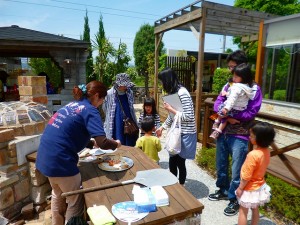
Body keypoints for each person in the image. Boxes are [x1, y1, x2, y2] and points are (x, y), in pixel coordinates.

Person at [36, 81, 121, 225]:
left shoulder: (72, 105)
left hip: (45, 158)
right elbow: (103, 142)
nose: (101, 103)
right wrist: (116, 144)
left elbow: (69, 131)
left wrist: (90, 143)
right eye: (102, 100)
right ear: (96, 96)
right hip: (62, 162)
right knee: (75, 202)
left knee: (57, 194)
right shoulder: (90, 109)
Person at [208, 50, 263, 217]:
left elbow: (252, 112)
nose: (230, 71)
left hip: (240, 134)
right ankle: (223, 190)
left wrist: (232, 116)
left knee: (237, 168)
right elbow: (218, 103)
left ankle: (234, 198)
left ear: (242, 66)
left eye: (233, 67)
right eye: (230, 67)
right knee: (221, 164)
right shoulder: (229, 84)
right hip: (223, 132)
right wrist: (223, 112)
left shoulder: (253, 89)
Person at [156, 67, 197, 185]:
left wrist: (171, 109)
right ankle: (173, 185)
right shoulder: (173, 93)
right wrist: (162, 127)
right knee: (172, 161)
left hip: (185, 133)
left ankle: (181, 186)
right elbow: (173, 116)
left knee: (179, 162)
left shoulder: (182, 92)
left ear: (167, 80)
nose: (161, 84)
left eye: (162, 81)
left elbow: (189, 116)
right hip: (177, 132)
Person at [236, 122, 275, 225]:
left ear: (260, 138)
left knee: (243, 211)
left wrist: (240, 188)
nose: (249, 137)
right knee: (255, 208)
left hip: (249, 187)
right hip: (259, 185)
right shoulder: (266, 151)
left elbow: (246, 176)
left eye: (251, 136)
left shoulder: (253, 155)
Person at [209, 63, 255, 139]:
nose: (233, 78)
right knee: (225, 117)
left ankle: (216, 124)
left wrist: (226, 108)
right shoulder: (248, 87)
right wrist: (227, 93)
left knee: (221, 112)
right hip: (239, 109)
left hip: (238, 130)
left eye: (236, 76)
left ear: (243, 77)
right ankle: (217, 129)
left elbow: (232, 98)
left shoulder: (236, 87)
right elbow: (236, 96)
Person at [103, 73, 138, 147]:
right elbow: (105, 108)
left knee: (129, 139)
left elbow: (131, 107)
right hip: (116, 120)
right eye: (124, 85)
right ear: (118, 84)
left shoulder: (129, 92)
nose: (126, 87)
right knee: (118, 138)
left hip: (128, 119)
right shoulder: (109, 93)